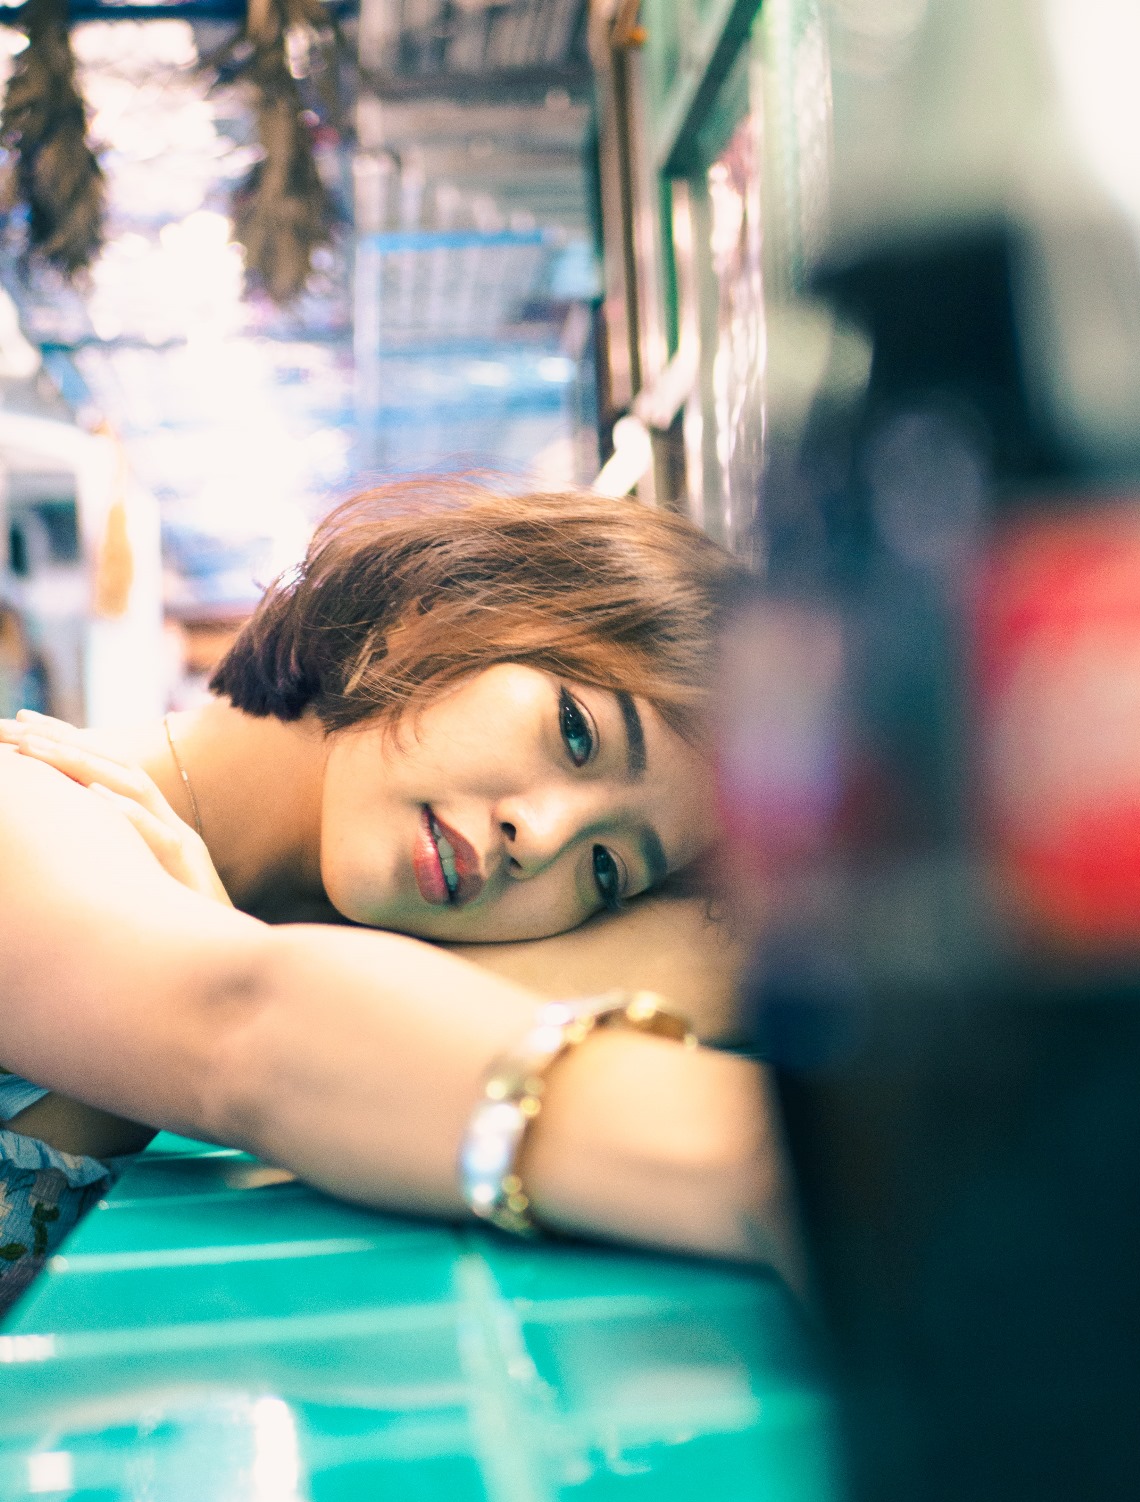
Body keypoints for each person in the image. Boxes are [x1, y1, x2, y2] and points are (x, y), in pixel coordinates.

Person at [0, 481, 791, 1311]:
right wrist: (790, 1169)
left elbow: (304, 1023)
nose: (547, 837)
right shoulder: (35, 807)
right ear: (447, 603)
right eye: (577, 731)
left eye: (606, 870)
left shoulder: (247, 928)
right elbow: (249, 1030)